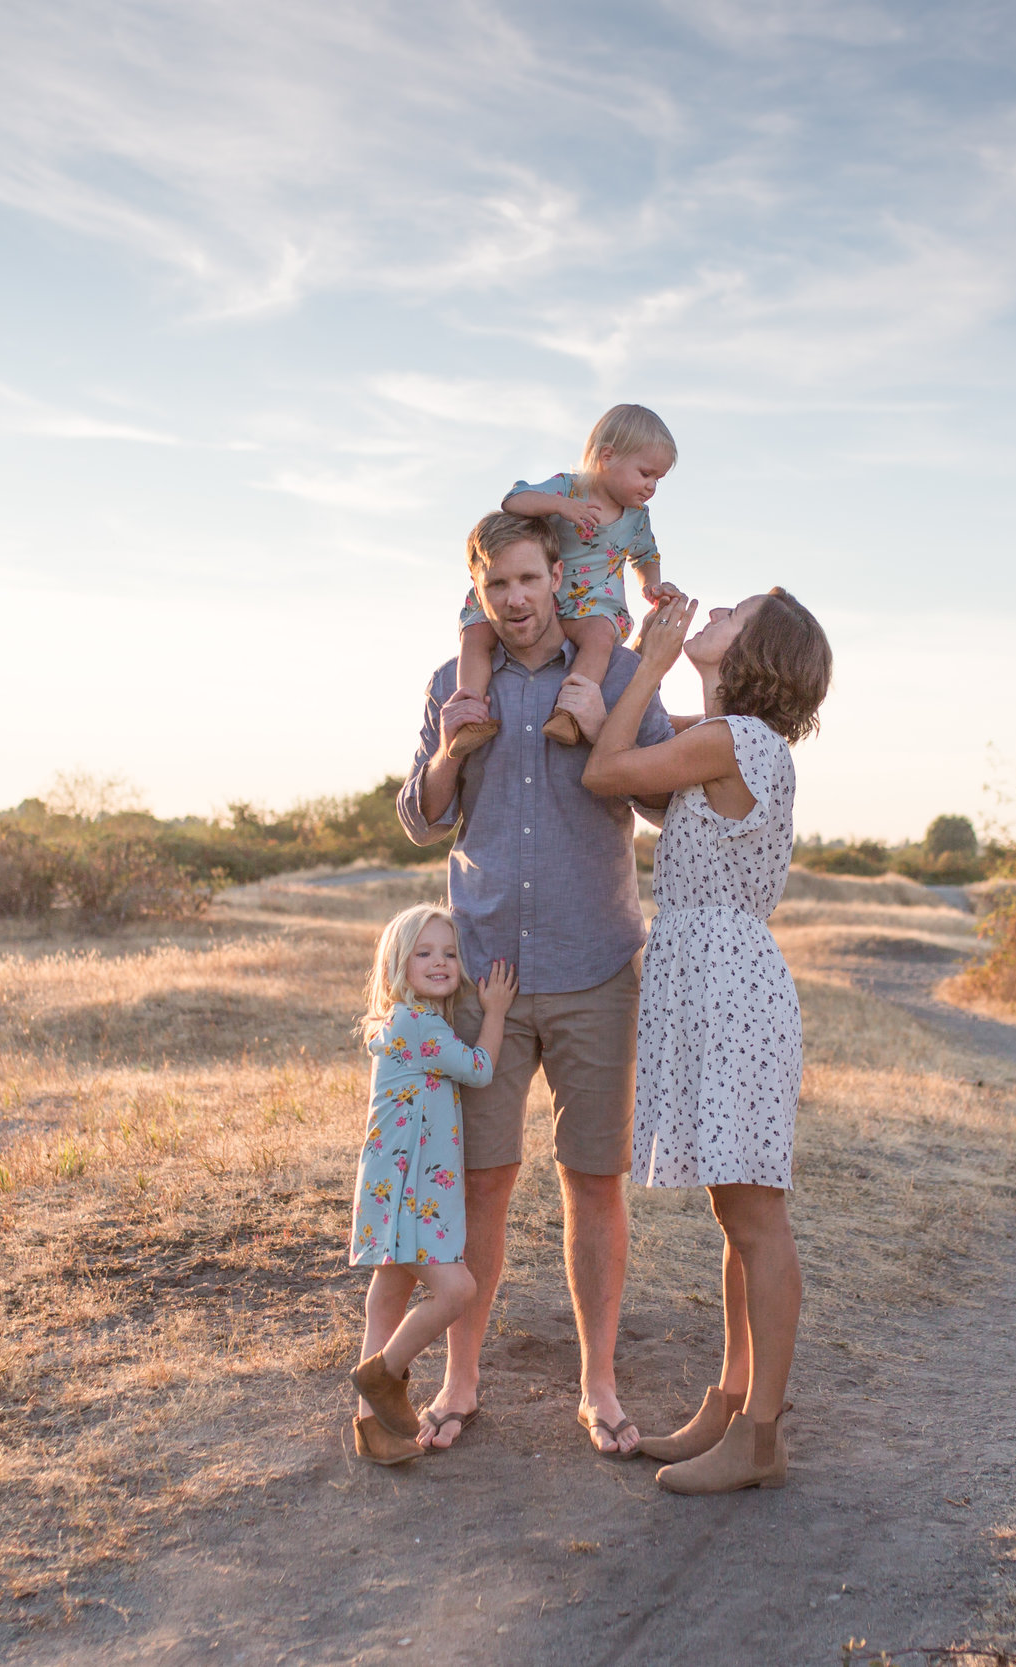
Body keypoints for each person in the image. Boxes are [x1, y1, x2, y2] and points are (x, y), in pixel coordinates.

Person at [397, 510, 675, 1457]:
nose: (514, 601)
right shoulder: (452, 683)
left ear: (560, 576)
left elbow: (664, 796)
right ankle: (460, 1377)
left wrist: (613, 730)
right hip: (484, 975)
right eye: (495, 587)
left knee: (593, 1181)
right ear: (477, 594)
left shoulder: (617, 672)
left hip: (596, 963)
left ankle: (598, 1382)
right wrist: (450, 751)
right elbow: (420, 818)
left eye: (528, 579)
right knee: (481, 1184)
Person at [561, 586, 834, 1494]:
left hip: (730, 989)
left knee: (757, 1214)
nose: (714, 610)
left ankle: (761, 1437)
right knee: (735, 1209)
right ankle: (729, 1404)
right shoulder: (724, 742)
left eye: (736, 611)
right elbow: (644, 772)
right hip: (715, 983)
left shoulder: (732, 740)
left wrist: (650, 661)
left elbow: (606, 772)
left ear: (757, 650)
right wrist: (649, 667)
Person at [345, 904, 517, 1466]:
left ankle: (373, 1430)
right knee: (457, 1289)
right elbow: (480, 1068)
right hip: (408, 1193)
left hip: (397, 1187)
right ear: (397, 963)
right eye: (424, 953)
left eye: (448, 953)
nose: (440, 962)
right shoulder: (417, 1025)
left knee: (389, 1295)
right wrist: (494, 1011)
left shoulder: (408, 1022)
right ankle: (386, 1374)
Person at [447, 405, 684, 756]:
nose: (651, 486)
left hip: (590, 599)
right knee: (476, 633)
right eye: (646, 473)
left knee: (600, 638)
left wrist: (651, 584)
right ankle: (471, 715)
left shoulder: (637, 518)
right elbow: (513, 500)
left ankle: (570, 713)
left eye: (658, 480)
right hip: (537, 594)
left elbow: (646, 555)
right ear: (607, 456)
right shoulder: (568, 488)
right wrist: (558, 506)